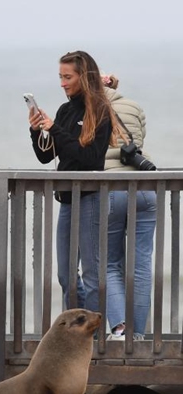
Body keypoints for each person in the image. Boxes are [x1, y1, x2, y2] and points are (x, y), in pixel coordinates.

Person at [28, 51, 118, 314]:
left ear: (83, 77)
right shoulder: (65, 111)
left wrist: (55, 129)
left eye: (68, 77)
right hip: (67, 199)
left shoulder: (99, 110)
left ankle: (93, 339)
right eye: (60, 77)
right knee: (66, 276)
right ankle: (76, 332)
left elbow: (90, 158)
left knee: (92, 276)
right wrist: (36, 131)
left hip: (91, 197)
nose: (62, 83)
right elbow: (46, 156)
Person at [101, 74, 157, 340]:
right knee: (142, 264)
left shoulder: (90, 108)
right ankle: (138, 336)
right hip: (146, 188)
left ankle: (121, 329)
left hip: (113, 189)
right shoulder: (134, 106)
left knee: (109, 263)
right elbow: (140, 138)